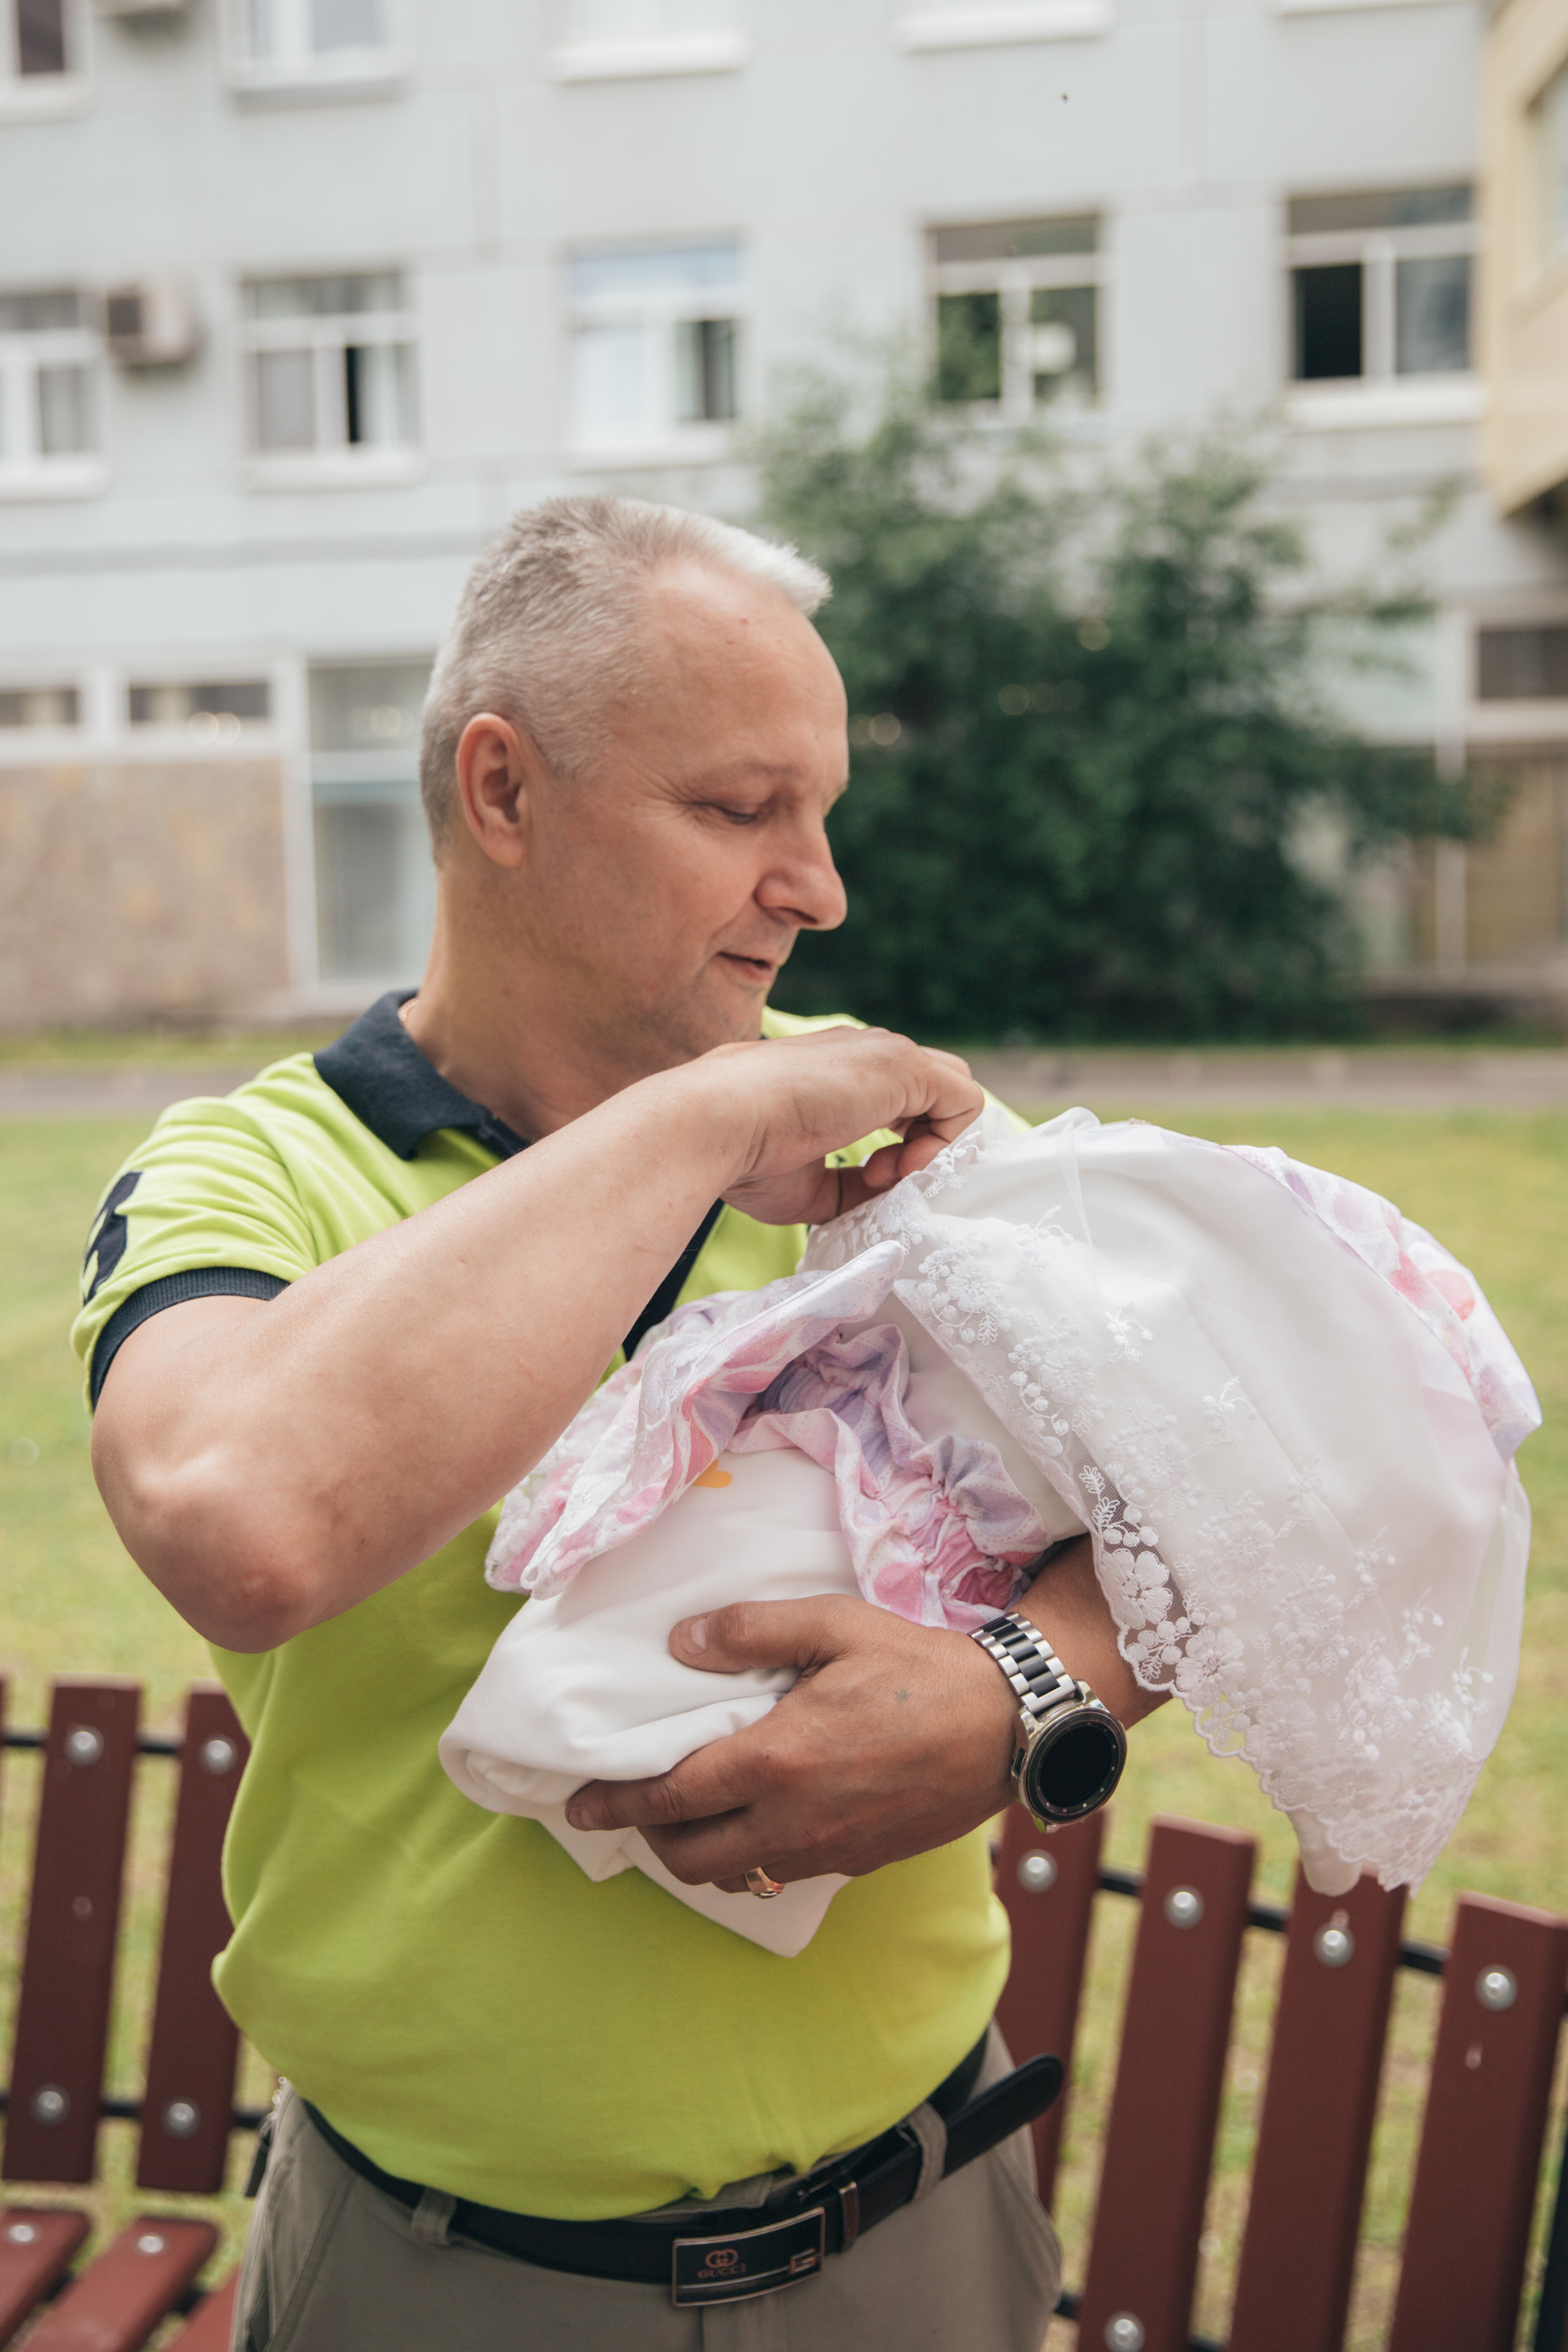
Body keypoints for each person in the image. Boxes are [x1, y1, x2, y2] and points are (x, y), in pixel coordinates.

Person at [77, 496, 1163, 2352]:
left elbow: (1203, 1501)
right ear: (503, 793)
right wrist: (696, 1127)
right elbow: (242, 1521)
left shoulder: (875, 1123)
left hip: (924, 2224)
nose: (820, 891)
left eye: (823, 819)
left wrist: (1024, 1692)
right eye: (742, 813)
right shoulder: (248, 1175)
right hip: (443, 2278)